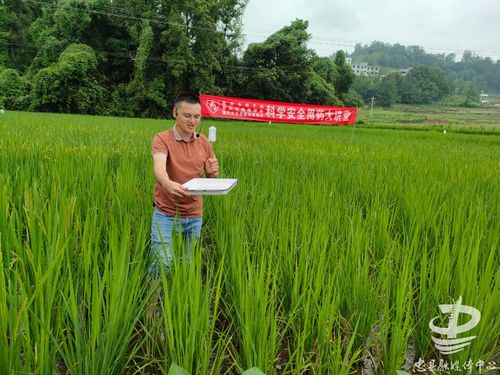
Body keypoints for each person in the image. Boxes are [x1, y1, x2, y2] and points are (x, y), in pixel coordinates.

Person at [149, 92, 219, 274]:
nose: (192, 121)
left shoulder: (204, 142)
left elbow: (212, 177)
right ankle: (153, 302)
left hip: (194, 214)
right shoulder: (162, 138)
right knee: (161, 263)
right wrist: (167, 184)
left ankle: (179, 298)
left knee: (186, 263)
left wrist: (213, 173)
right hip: (166, 213)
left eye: (197, 117)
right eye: (187, 115)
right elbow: (159, 168)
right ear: (175, 113)